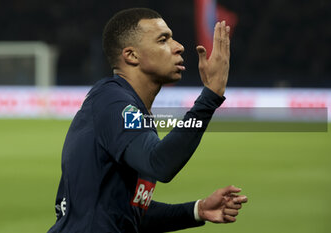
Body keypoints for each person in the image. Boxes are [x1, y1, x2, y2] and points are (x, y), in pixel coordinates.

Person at [48, 8, 247, 233]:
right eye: (163, 40)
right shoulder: (112, 100)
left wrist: (197, 210)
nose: (179, 46)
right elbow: (159, 164)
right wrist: (210, 96)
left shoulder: (131, 109)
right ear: (131, 55)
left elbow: (127, 212)